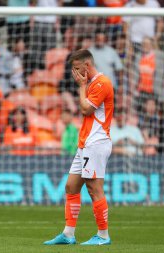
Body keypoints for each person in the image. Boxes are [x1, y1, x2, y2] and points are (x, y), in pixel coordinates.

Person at [44, 49, 114, 245]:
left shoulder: (102, 83)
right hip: (85, 143)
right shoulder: (91, 83)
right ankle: (68, 234)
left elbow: (85, 109)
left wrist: (82, 86)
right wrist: (83, 85)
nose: (75, 73)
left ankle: (103, 235)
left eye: (77, 68)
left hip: (96, 142)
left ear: (87, 65)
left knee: (94, 188)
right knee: (71, 186)